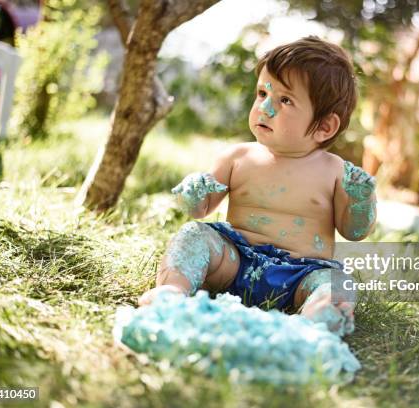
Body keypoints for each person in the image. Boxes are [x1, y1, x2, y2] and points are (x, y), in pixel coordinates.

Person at [138, 36, 376, 336]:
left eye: (285, 100)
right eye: (262, 92)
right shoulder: (238, 157)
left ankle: (319, 315)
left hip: (301, 275)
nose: (265, 107)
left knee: (337, 283)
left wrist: (361, 201)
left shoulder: (335, 171)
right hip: (234, 263)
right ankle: (172, 291)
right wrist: (194, 193)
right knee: (194, 235)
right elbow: (200, 211)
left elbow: (354, 231)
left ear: (325, 126)